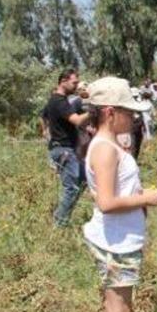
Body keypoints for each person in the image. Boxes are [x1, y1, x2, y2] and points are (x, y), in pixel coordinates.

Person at [82, 76, 157, 312]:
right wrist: (146, 198)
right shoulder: (104, 149)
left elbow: (98, 192)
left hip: (119, 239)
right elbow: (106, 202)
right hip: (115, 243)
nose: (134, 117)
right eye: (129, 112)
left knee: (117, 309)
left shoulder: (109, 145)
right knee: (119, 311)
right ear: (110, 112)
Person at [43, 68, 90, 227]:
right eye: (74, 82)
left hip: (66, 149)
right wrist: (94, 111)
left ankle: (62, 217)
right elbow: (77, 120)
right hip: (64, 150)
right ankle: (59, 224)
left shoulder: (58, 100)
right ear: (63, 81)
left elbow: (43, 116)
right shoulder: (58, 101)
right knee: (72, 188)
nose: (77, 86)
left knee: (84, 179)